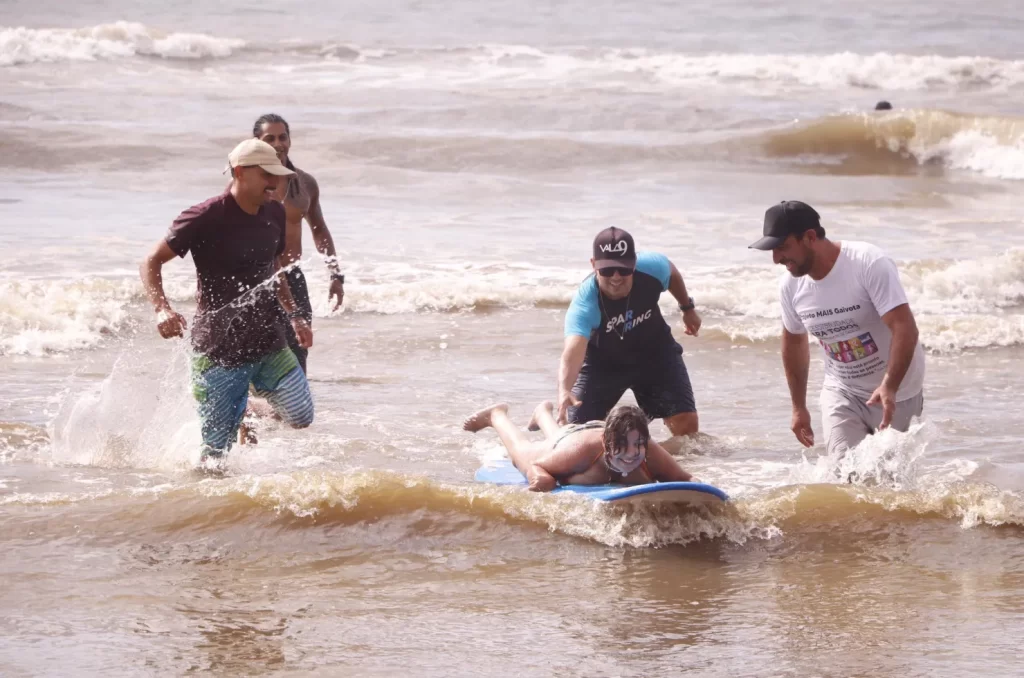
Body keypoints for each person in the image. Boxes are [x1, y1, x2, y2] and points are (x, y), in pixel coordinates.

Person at [139, 138, 315, 468]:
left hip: (268, 341)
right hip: (219, 351)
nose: (274, 183)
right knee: (213, 461)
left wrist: (294, 315)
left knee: (301, 415)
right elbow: (151, 260)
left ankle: (246, 405)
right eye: (266, 175)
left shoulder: (275, 212)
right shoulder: (204, 216)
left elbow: (274, 266)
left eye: (276, 175)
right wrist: (161, 308)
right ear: (240, 172)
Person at [749, 200, 925, 458]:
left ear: (810, 237)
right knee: (844, 472)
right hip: (842, 392)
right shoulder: (791, 286)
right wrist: (798, 407)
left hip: (899, 393)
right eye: (772, 250)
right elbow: (794, 341)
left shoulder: (867, 262)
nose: (776, 259)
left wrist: (890, 385)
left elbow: (904, 327)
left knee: (890, 478)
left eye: (782, 247)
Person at [557, 227, 702, 436]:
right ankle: (542, 414)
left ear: (634, 263)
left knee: (687, 430)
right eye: (607, 270)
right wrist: (564, 389)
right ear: (593, 264)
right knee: (577, 435)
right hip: (603, 365)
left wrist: (687, 308)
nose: (616, 277)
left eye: (623, 269)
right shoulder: (585, 303)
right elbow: (573, 351)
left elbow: (671, 272)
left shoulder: (652, 267)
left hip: (655, 353)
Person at [252, 113, 345, 373]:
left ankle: (296, 397)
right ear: (257, 142)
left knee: (299, 347)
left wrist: (336, 274)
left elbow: (320, 230)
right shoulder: (246, 184)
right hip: (257, 278)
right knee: (254, 354)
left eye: (283, 137)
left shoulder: (304, 184)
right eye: (270, 138)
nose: (278, 144)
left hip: (292, 277)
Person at [463, 402, 694, 492]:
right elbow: (536, 465)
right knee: (522, 452)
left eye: (639, 445)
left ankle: (542, 413)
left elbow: (685, 479)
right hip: (574, 441)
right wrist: (543, 480)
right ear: (606, 444)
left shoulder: (648, 450)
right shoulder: (585, 450)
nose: (632, 453)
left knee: (561, 441)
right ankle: (496, 415)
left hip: (588, 435)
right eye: (622, 446)